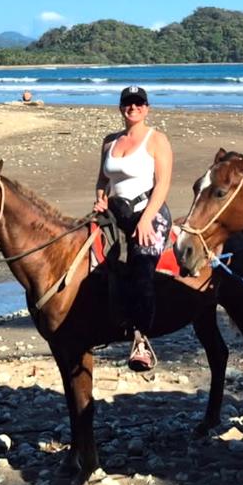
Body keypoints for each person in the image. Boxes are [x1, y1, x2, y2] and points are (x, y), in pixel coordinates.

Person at [93, 85, 173, 372]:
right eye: (128, 103)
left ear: (147, 108)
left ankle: (141, 340)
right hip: (116, 212)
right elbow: (103, 180)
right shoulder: (109, 142)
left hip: (149, 212)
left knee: (141, 265)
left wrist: (146, 219)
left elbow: (163, 184)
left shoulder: (157, 140)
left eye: (139, 103)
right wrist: (100, 198)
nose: (133, 108)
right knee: (85, 254)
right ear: (120, 108)